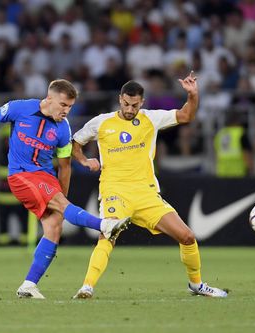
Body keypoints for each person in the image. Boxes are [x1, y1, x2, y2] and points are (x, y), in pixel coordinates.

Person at [0, 79, 130, 299]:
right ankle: (105, 225)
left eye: (70, 107)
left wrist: (62, 199)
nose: (66, 111)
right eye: (63, 105)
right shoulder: (21, 108)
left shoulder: (63, 129)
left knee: (54, 227)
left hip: (46, 178)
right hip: (21, 175)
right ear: (49, 99)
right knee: (61, 212)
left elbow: (65, 166)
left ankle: (29, 285)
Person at [71, 73, 229, 298]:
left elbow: (186, 115)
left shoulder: (150, 119)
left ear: (142, 102)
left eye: (134, 105)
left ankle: (196, 284)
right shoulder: (101, 122)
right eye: (126, 104)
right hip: (115, 191)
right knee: (108, 235)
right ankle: (87, 287)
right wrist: (85, 160)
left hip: (146, 194)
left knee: (187, 236)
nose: (129, 109)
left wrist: (193, 95)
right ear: (120, 99)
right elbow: (75, 142)